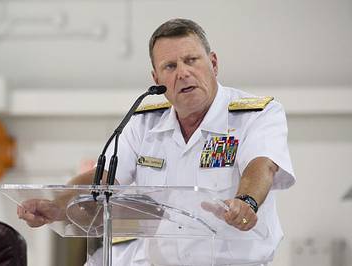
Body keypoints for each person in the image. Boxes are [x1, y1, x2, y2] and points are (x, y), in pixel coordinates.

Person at [18, 18, 295, 265]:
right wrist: (57, 204)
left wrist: (246, 201)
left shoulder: (255, 114)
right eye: (170, 66)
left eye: (191, 60)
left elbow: (262, 165)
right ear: (156, 78)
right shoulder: (143, 122)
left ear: (213, 63)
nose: (183, 73)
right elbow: (106, 177)